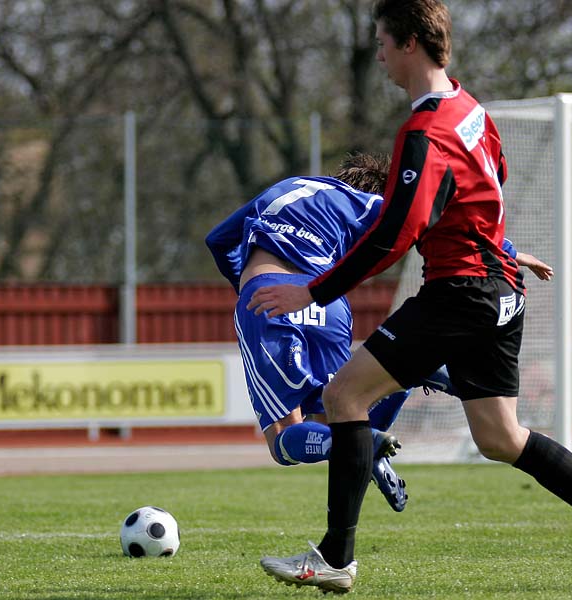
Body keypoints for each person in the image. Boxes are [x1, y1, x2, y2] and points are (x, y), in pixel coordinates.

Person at [248, 0, 572, 593]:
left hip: (461, 293)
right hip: (500, 289)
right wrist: (498, 249)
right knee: (500, 437)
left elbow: (394, 235)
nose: (379, 54)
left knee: (344, 395)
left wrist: (310, 291)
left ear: (411, 43)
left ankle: (336, 556)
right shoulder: (471, 109)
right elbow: (489, 183)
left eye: (383, 42)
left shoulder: (423, 132)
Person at [206, 152, 549, 514]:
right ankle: (407, 377)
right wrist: (509, 251)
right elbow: (440, 225)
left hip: (268, 297)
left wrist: (247, 286)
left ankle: (369, 438)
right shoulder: (374, 206)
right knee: (338, 415)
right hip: (328, 304)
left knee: (283, 443)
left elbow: (218, 240)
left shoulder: (286, 187)